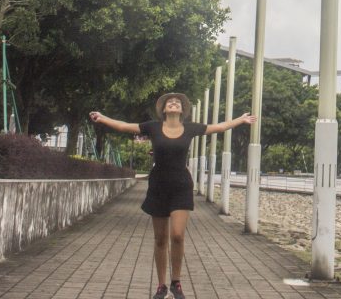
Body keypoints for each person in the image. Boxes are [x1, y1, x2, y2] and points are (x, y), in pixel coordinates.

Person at [89, 93, 256, 299]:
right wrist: (103, 117)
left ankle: (176, 282)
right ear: (164, 109)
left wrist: (241, 119)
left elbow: (219, 127)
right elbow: (125, 126)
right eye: (170, 102)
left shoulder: (191, 128)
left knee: (177, 235)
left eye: (177, 102)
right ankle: (161, 286)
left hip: (181, 186)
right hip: (158, 185)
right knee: (160, 239)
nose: (174, 103)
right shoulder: (153, 127)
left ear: (182, 110)